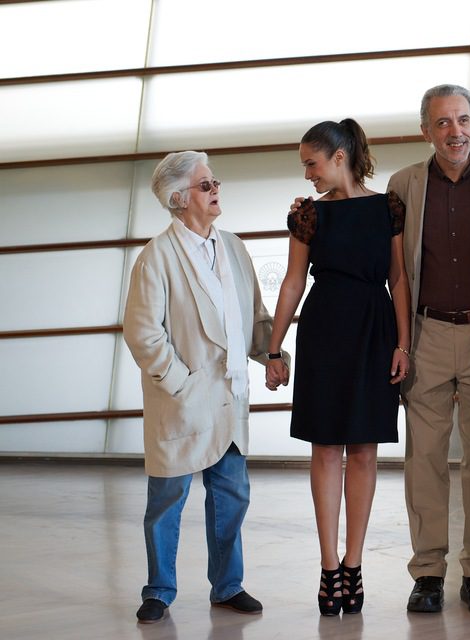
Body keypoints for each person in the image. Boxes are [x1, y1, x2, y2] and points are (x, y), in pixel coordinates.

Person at [386, 84, 470, 615]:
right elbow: (394, 270)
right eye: (443, 123)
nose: (455, 132)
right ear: (426, 130)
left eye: (463, 120)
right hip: (426, 335)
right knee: (424, 457)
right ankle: (426, 571)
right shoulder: (403, 184)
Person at [123, 151, 280, 624]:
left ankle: (228, 585)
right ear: (178, 198)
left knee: (232, 496)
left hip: (230, 396)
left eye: (215, 183)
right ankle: (159, 589)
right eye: (206, 185)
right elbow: (143, 333)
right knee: (167, 500)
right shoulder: (156, 257)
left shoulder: (232, 246)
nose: (215, 192)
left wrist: (270, 354)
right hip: (184, 400)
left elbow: (252, 314)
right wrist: (181, 383)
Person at [265, 119, 411, 616]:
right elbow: (291, 283)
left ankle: (354, 563)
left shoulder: (387, 207)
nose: (307, 173)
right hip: (324, 330)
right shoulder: (308, 216)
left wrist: (405, 344)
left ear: (340, 156)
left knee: (365, 451)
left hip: (375, 331)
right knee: (326, 448)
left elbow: (399, 278)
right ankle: (329, 567)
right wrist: (273, 347)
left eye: (312, 162)